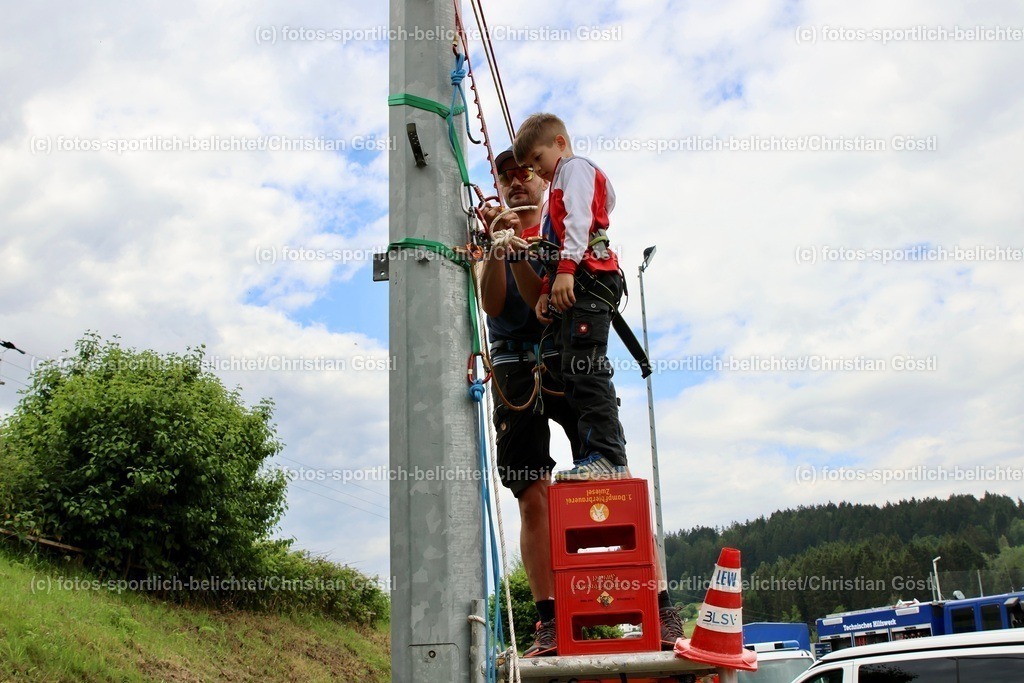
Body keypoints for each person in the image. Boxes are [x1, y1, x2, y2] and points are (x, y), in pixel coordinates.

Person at [480, 145, 683, 656]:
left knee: (613, 473)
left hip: (565, 353)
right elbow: (493, 303)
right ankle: (549, 621)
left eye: (525, 171)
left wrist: (524, 251)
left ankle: (660, 608)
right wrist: (497, 249)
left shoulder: (557, 228)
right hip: (515, 365)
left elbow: (541, 305)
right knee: (532, 494)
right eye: (507, 176)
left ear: (541, 177)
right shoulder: (496, 233)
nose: (516, 181)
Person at [511, 112, 628, 482]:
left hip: (589, 279)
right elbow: (554, 245)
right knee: (574, 372)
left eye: (537, 160)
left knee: (585, 369)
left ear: (559, 143)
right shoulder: (556, 189)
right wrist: (547, 287)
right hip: (576, 278)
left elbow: (578, 223)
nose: (536, 171)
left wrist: (564, 271)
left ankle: (608, 458)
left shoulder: (575, 170)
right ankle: (600, 454)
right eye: (530, 166)